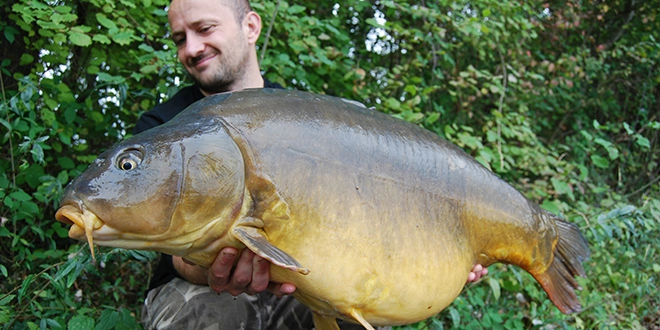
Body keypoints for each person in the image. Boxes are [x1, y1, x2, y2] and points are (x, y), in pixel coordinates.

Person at [136, 0, 489, 329]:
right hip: (199, 290)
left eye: (205, 29)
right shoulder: (164, 128)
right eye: (180, 38)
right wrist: (206, 265)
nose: (192, 48)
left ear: (251, 27)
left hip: (307, 281)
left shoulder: (311, 120)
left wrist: (444, 253)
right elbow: (170, 248)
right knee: (206, 313)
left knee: (355, 303)